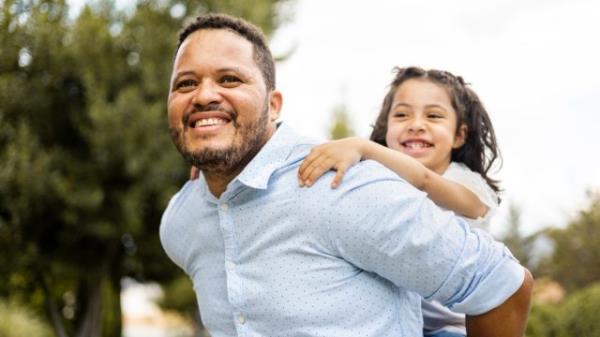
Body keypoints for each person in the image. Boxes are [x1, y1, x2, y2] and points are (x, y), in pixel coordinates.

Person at [160, 13, 533, 337]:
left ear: (273, 105)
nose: (203, 95)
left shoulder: (342, 187)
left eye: (229, 80)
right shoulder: (181, 221)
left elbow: (501, 283)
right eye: (186, 84)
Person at [298, 66, 502, 337]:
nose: (416, 124)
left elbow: (425, 181)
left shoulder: (468, 185)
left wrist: (364, 148)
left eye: (433, 116)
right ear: (386, 129)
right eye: (402, 114)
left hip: (445, 329)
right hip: (393, 321)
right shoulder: (380, 182)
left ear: (459, 136)